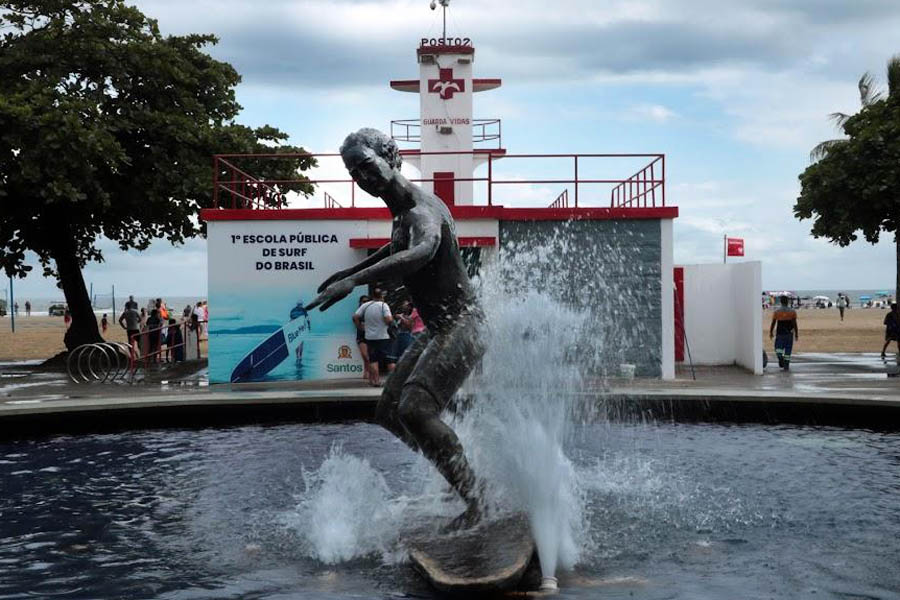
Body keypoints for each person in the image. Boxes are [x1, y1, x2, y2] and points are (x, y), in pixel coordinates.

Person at [307, 128, 486, 530]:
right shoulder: (403, 213)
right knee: (389, 411)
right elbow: (400, 246)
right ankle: (454, 469)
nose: (363, 179)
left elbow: (420, 252)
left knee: (415, 409)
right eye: (355, 173)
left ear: (392, 158)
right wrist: (351, 270)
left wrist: (354, 281)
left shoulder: (421, 210)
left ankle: (478, 499)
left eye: (368, 166)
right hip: (440, 328)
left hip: (464, 324)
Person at [353, 288, 396, 386]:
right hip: (383, 337)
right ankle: (393, 382)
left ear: (372, 296)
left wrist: (359, 327)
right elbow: (388, 319)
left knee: (373, 360)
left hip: (370, 338)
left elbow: (355, 317)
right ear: (382, 296)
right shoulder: (383, 305)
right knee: (390, 360)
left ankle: (376, 381)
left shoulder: (365, 305)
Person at [769, 295, 799, 370]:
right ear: (788, 302)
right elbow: (795, 324)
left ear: (781, 302)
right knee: (788, 351)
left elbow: (773, 323)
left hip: (780, 334)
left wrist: (771, 332)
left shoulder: (776, 312)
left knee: (778, 349)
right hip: (789, 334)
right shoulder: (792, 312)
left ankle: (781, 359)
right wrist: (796, 334)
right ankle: (786, 365)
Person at [354, 295, 371, 380]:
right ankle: (367, 370)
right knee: (364, 355)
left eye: (367, 301)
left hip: (371, 335)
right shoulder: (358, 313)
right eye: (363, 301)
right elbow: (356, 322)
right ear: (360, 302)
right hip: (361, 336)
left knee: (369, 355)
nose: (365, 303)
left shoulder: (371, 311)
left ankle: (368, 371)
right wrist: (361, 327)